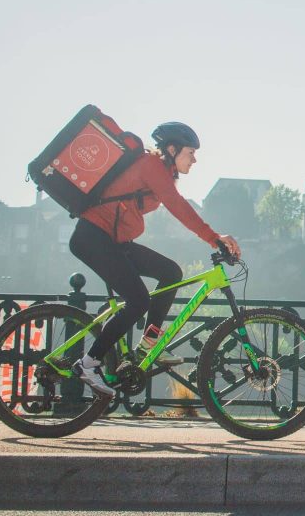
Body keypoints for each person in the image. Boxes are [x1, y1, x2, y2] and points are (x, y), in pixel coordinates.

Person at [68, 122, 241, 398]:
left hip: (113, 241)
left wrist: (214, 237)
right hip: (93, 239)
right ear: (171, 149)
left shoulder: (162, 173)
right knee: (138, 301)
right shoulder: (151, 165)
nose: (195, 159)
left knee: (170, 272)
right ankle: (88, 363)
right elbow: (177, 206)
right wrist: (214, 237)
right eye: (190, 152)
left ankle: (149, 343)